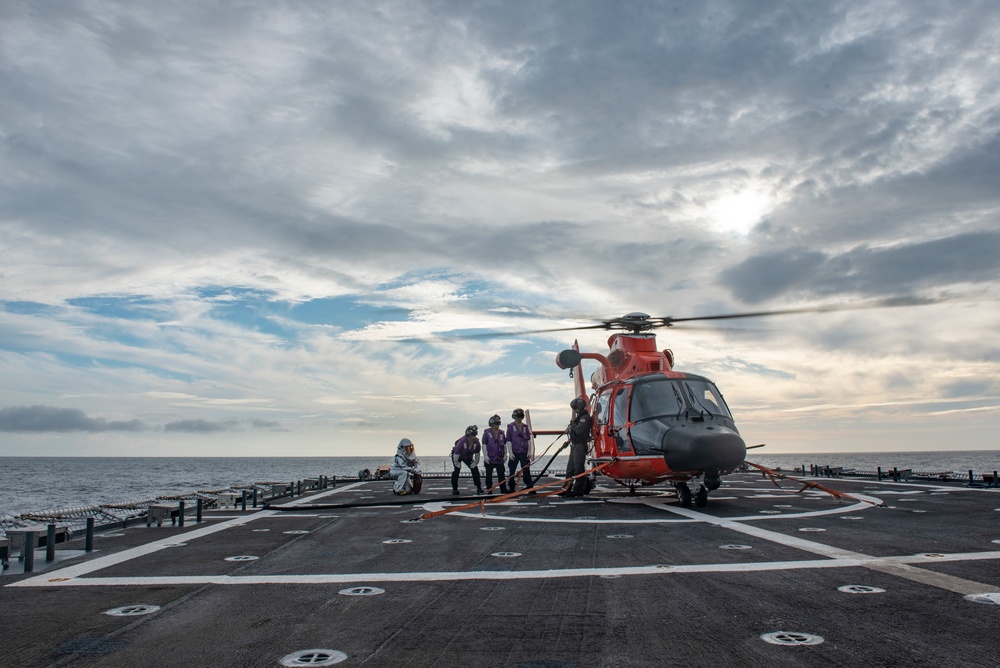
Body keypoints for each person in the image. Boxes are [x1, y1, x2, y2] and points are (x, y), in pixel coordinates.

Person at [564, 397, 593, 497]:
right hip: (575, 445)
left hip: (580, 445)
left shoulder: (585, 418)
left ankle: (578, 490)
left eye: (575, 408)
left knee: (578, 469)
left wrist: (572, 425)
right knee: (570, 469)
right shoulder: (579, 417)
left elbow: (579, 430)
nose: (575, 410)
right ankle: (566, 488)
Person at [506, 408, 534, 492]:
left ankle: (529, 487)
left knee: (526, 470)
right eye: (517, 417)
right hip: (515, 452)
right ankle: (511, 487)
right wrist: (510, 453)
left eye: (520, 417)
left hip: (524, 452)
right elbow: (508, 440)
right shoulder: (510, 427)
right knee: (512, 470)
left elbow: (528, 440)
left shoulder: (525, 427)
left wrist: (529, 452)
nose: (519, 419)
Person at [451, 425, 484, 495]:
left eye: (474, 435)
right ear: (468, 435)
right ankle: (454, 489)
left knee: (475, 470)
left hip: (468, 457)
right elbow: (456, 455)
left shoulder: (477, 443)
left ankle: (479, 487)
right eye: (471, 436)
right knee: (456, 471)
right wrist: (457, 464)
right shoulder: (461, 442)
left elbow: (477, 455)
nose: (473, 438)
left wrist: (475, 463)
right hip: (458, 456)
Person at [482, 414, 510, 493]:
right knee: (489, 474)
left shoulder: (502, 433)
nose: (497, 425)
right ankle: (489, 489)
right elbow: (484, 444)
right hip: (490, 458)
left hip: (499, 458)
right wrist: (485, 456)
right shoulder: (487, 433)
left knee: (501, 475)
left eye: (498, 424)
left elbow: (504, 445)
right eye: (495, 424)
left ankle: (503, 489)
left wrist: (505, 454)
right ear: (491, 424)